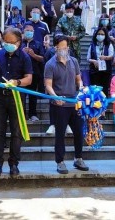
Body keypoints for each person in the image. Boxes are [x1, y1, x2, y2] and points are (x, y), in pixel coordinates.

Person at [0, 27, 33, 176]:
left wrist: (17, 82)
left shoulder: (25, 57)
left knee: (16, 133)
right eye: (5, 41)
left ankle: (14, 164)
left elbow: (29, 79)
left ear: (18, 42)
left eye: (10, 42)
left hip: (16, 98)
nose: (7, 44)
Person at [44, 35, 89, 174]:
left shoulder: (73, 61)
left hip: (74, 103)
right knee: (60, 134)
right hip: (59, 104)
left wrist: (82, 89)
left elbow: (78, 79)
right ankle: (60, 161)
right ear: (55, 48)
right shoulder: (50, 64)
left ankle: (78, 158)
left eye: (66, 47)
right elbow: (48, 86)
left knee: (78, 133)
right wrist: (55, 97)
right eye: (61, 47)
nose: (64, 50)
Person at [21, 24, 46, 121]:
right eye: (27, 30)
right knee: (22, 94)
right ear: (23, 31)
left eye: (31, 31)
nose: (29, 32)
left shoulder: (38, 44)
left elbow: (42, 59)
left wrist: (33, 54)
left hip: (34, 73)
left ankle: (32, 114)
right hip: (21, 74)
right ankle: (21, 114)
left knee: (32, 94)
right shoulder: (19, 44)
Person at [87, 27, 114, 97]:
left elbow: (112, 56)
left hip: (106, 71)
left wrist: (105, 57)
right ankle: (95, 106)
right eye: (98, 34)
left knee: (104, 89)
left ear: (105, 35)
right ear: (96, 35)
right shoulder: (92, 45)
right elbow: (88, 58)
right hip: (94, 71)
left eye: (102, 34)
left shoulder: (109, 45)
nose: (100, 35)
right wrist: (94, 61)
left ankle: (104, 106)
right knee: (95, 89)